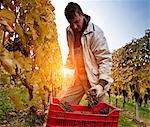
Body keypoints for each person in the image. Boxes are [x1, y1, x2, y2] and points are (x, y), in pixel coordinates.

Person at [61, 2, 113, 105]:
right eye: (71, 23)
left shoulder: (95, 33)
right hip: (79, 79)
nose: (75, 26)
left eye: (77, 21)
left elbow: (105, 60)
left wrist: (100, 85)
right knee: (64, 105)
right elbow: (72, 51)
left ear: (82, 15)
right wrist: (66, 65)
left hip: (94, 81)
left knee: (96, 115)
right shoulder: (69, 31)